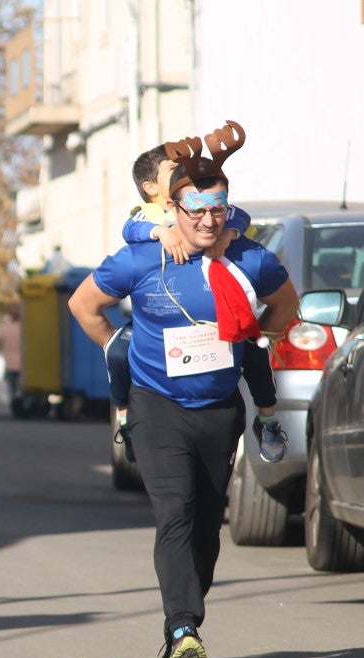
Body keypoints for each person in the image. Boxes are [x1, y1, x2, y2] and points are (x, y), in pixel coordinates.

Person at [68, 121, 300, 658]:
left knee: (204, 525)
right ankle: (182, 630)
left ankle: (185, 617)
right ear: (172, 209)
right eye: (195, 211)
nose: (206, 221)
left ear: (226, 210)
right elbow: (84, 305)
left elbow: (285, 307)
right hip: (156, 403)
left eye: (216, 211)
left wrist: (252, 334)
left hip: (219, 406)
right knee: (174, 512)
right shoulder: (141, 257)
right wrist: (117, 343)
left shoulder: (248, 258)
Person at [107, 139, 286, 464]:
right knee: (117, 351)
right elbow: (130, 229)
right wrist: (161, 232)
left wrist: (229, 232)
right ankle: (126, 420)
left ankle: (269, 419)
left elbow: (239, 215)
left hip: (220, 313)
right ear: (150, 187)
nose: (182, 172)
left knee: (256, 351)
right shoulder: (146, 214)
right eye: (172, 170)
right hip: (161, 317)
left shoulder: (204, 202)